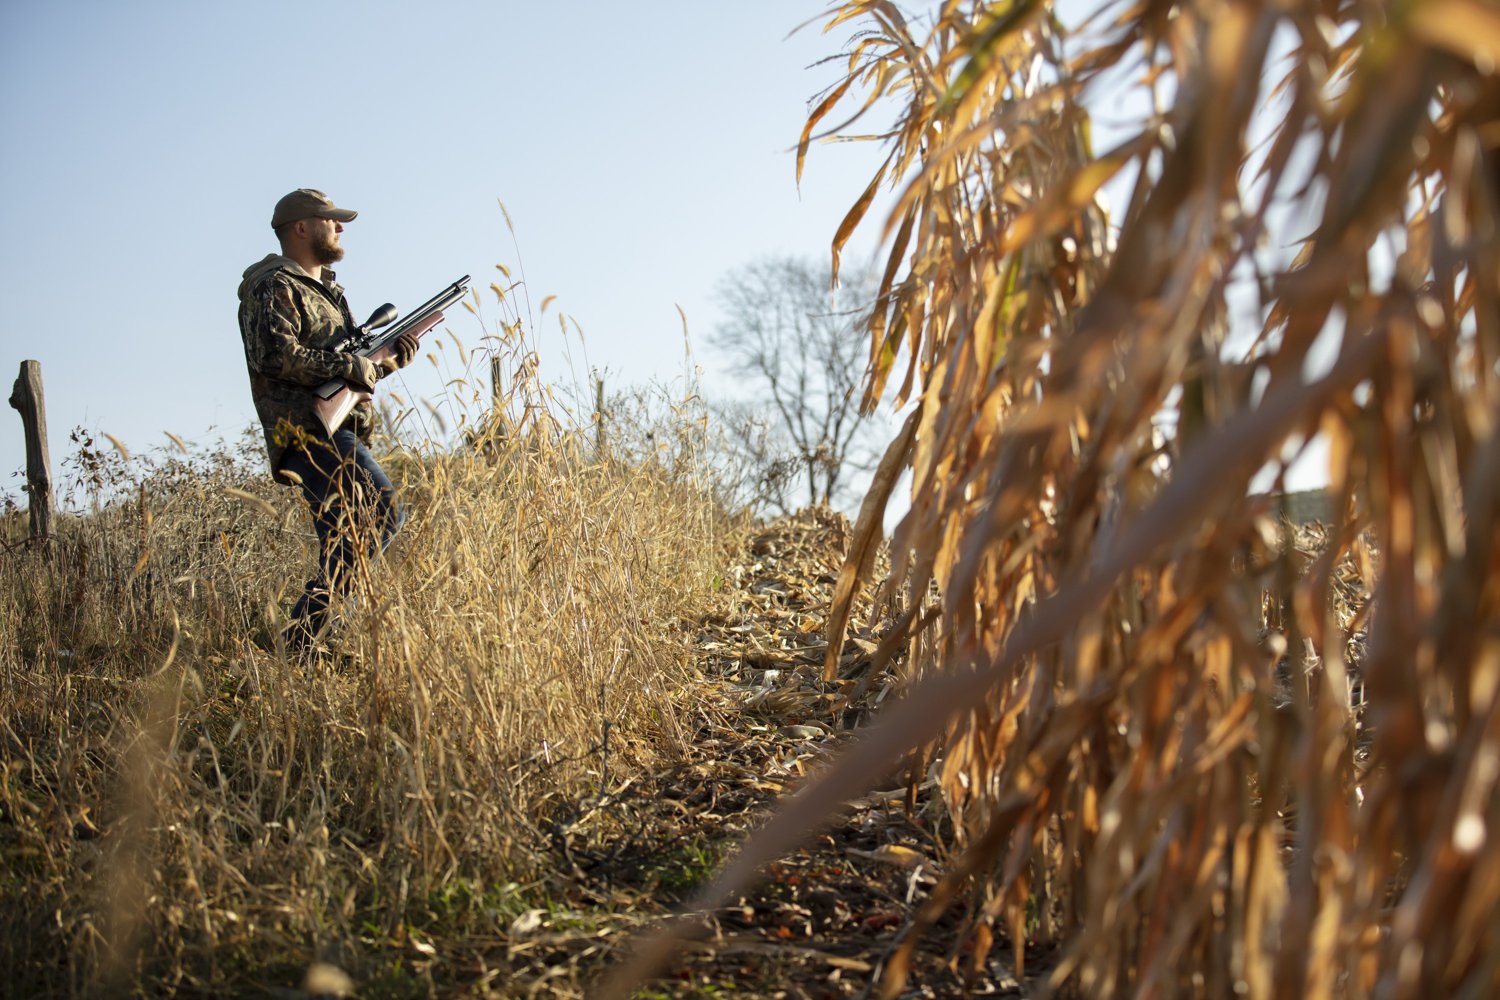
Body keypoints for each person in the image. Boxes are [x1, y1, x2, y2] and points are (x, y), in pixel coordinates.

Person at [236, 188, 420, 654]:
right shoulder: (274, 284)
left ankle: (311, 643)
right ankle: (304, 637)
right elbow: (275, 355)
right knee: (382, 511)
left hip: (340, 430)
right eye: (330, 219)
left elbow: (351, 368)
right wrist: (347, 367)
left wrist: (388, 360)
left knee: (349, 536)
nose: (340, 227)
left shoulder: (327, 292)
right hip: (308, 430)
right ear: (301, 227)